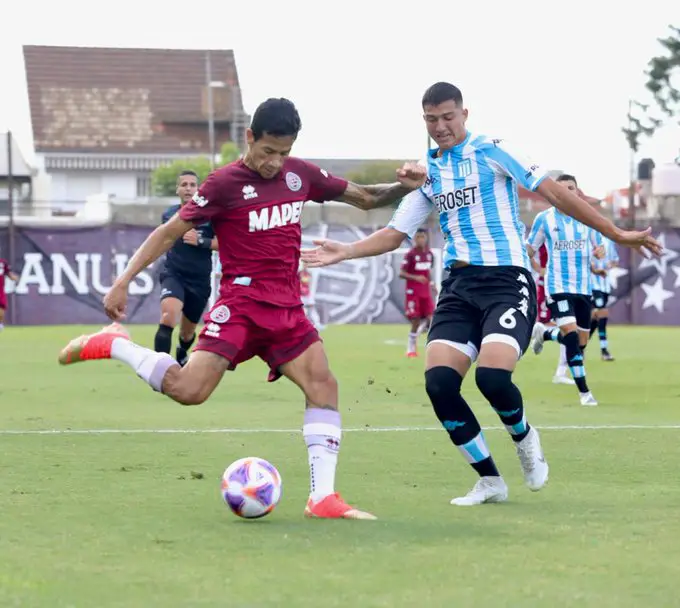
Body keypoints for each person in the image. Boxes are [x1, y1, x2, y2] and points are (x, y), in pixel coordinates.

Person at [57, 97, 427, 521]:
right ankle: (117, 346)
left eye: (284, 153)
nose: (275, 162)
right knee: (189, 391)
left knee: (323, 385)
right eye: (268, 151)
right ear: (250, 137)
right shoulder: (222, 184)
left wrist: (407, 186)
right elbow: (167, 232)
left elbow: (365, 198)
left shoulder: (300, 174)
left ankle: (321, 498)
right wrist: (122, 281)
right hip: (241, 305)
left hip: (287, 307)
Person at [301, 82, 662, 507]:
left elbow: (555, 194)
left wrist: (615, 232)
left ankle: (525, 438)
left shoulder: (493, 150)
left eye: (448, 117)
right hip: (459, 286)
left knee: (491, 377)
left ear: (464, 114)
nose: (441, 127)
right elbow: (395, 233)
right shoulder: (426, 172)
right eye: (432, 120)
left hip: (507, 280)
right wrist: (347, 250)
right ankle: (490, 480)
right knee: (439, 384)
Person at [526, 174, 605, 407]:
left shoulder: (588, 218)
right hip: (557, 286)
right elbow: (530, 248)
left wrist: (600, 251)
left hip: (583, 287)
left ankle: (544, 333)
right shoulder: (544, 219)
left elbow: (598, 243)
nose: (567, 193)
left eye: (571, 188)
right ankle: (585, 393)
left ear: (578, 192)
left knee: (580, 343)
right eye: (561, 189)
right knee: (571, 337)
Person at [154, 170, 218, 366]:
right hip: (174, 274)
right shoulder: (169, 215)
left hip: (199, 280)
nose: (188, 188)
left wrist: (201, 240)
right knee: (168, 316)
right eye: (184, 185)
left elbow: (226, 243)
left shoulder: (210, 216)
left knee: (187, 332)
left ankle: (182, 350)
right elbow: (163, 240)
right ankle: (159, 369)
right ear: (177, 189)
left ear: (199, 190)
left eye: (192, 185)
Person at [530, 244, 572, 385]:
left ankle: (561, 372)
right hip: (548, 285)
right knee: (567, 329)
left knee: (571, 329)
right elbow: (527, 249)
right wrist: (538, 269)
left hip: (567, 285)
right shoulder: (545, 227)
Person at [399, 227, 435, 357]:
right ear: (414, 238)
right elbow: (401, 273)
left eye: (423, 237)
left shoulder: (429, 254)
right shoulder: (410, 254)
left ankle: (431, 346)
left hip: (425, 292)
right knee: (415, 319)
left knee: (432, 318)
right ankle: (411, 348)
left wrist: (431, 284)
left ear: (426, 238)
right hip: (413, 292)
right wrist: (416, 277)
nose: (421, 239)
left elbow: (427, 271)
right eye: (418, 237)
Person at [590, 236, 619, 361]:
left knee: (596, 319)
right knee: (602, 314)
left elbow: (615, 260)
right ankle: (604, 350)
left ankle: (581, 345)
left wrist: (609, 265)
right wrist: (595, 269)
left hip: (605, 285)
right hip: (592, 285)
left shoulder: (609, 241)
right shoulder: (588, 237)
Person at [0, 256, 19, 332]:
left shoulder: (2, 262)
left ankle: (0, 323)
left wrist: (14, 278)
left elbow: (8, 273)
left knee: (2, 306)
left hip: (0, 289)